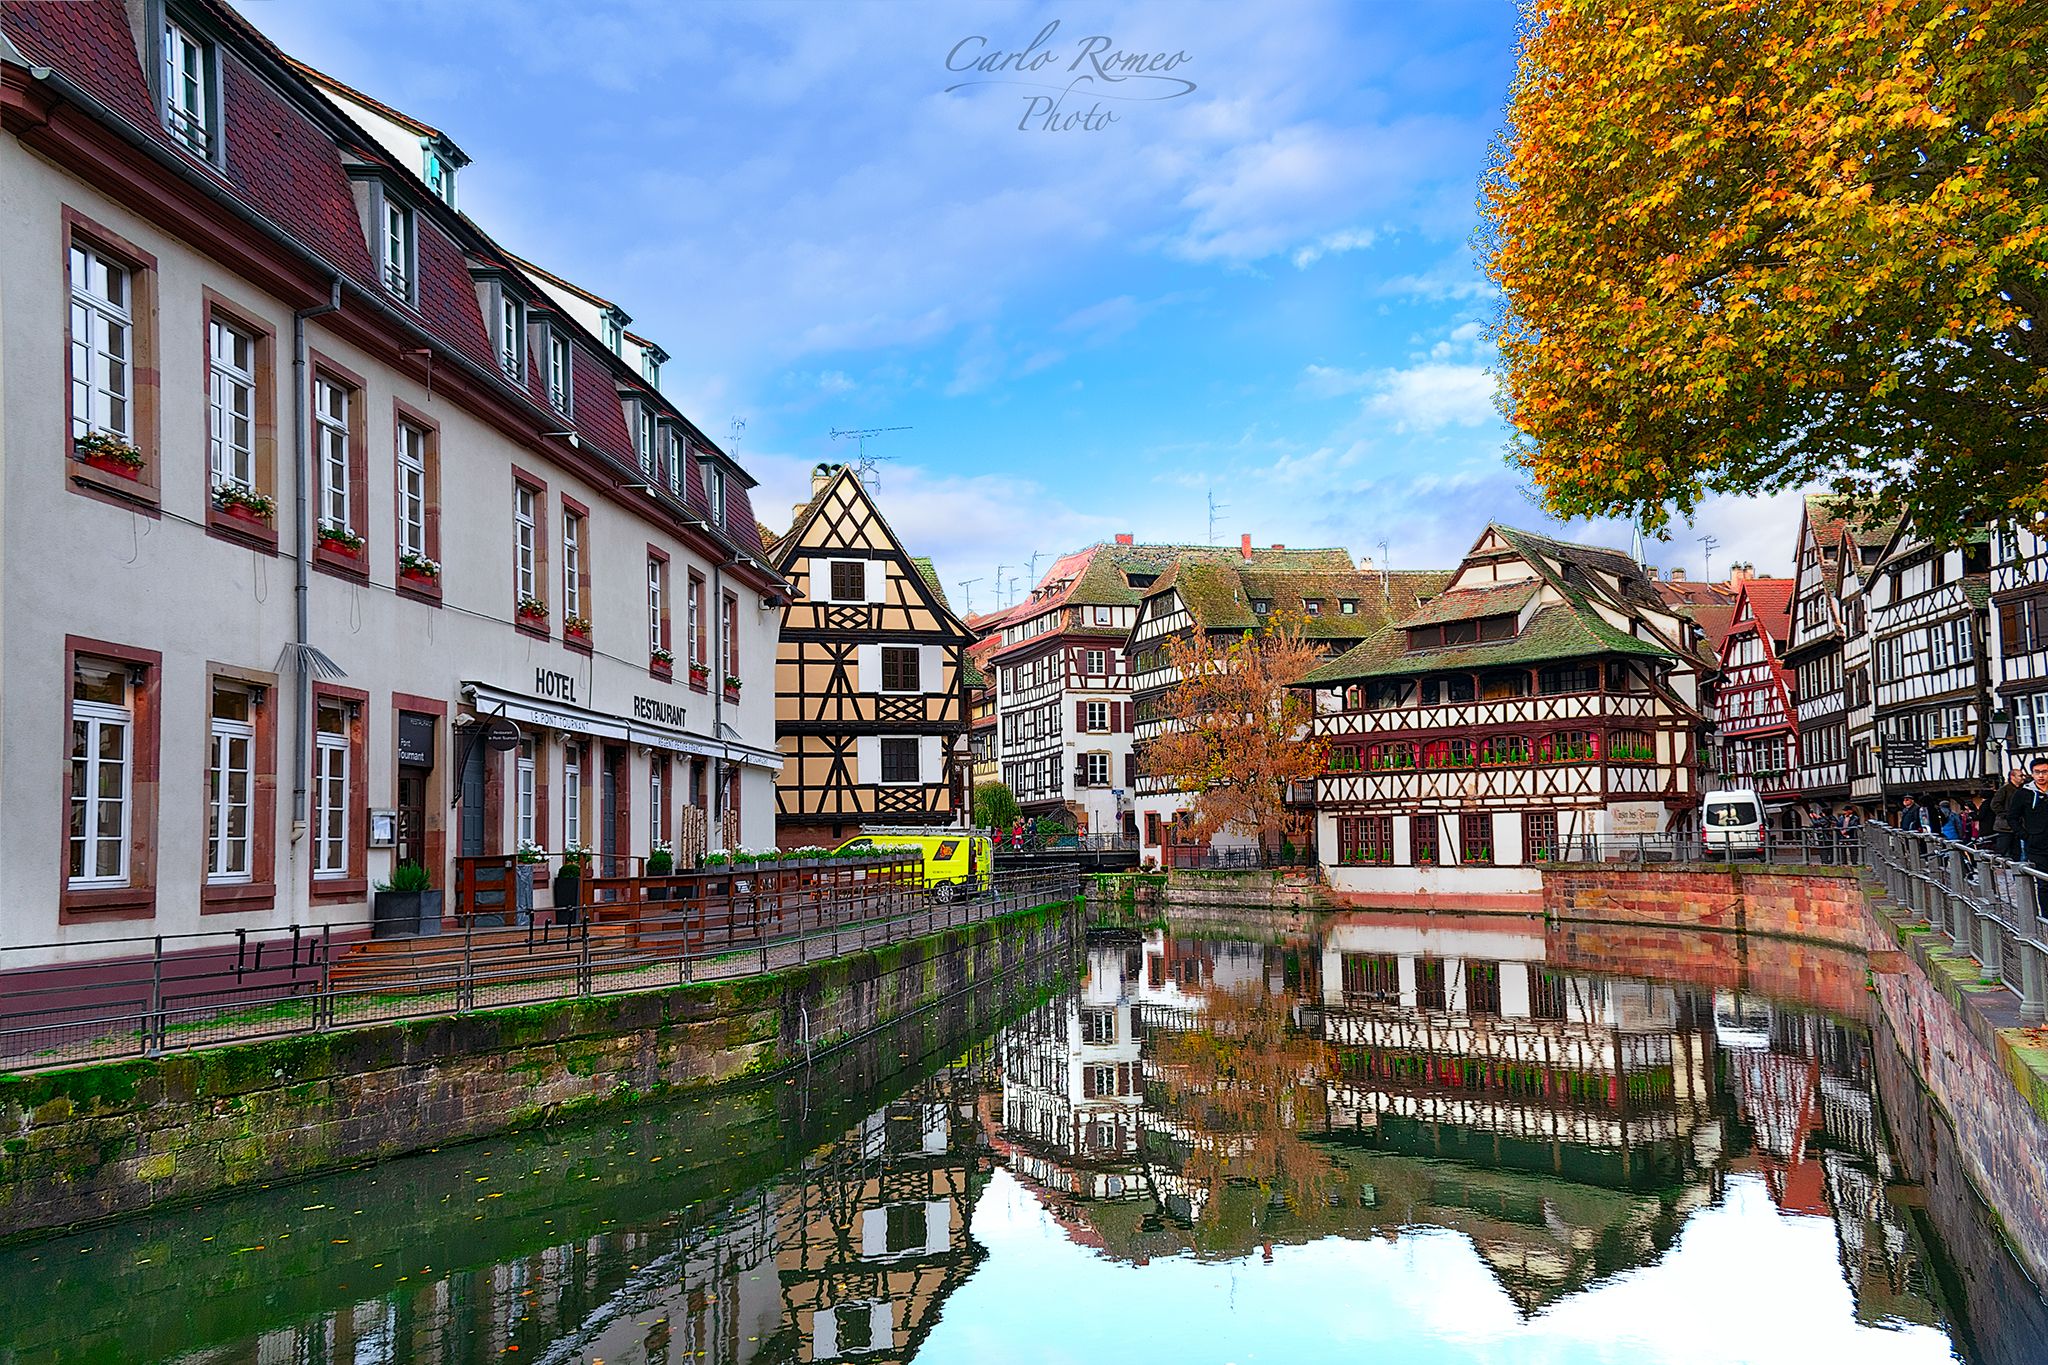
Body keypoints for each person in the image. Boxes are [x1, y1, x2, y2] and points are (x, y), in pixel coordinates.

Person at [2011, 758, 2048, 917]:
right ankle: (2046, 917)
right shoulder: (2023, 794)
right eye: (2037, 772)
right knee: (2044, 883)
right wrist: (2025, 836)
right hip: (2037, 846)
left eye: (2045, 772)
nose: (2041, 776)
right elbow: (2012, 817)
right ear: (2032, 774)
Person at [1989, 768, 2028, 859]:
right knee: (2001, 850)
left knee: (2016, 852)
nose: (2023, 778)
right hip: (2005, 827)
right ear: (2012, 777)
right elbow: (1994, 804)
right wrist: (2006, 815)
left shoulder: (2022, 790)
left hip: (2018, 826)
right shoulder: (2005, 789)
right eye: (2020, 775)